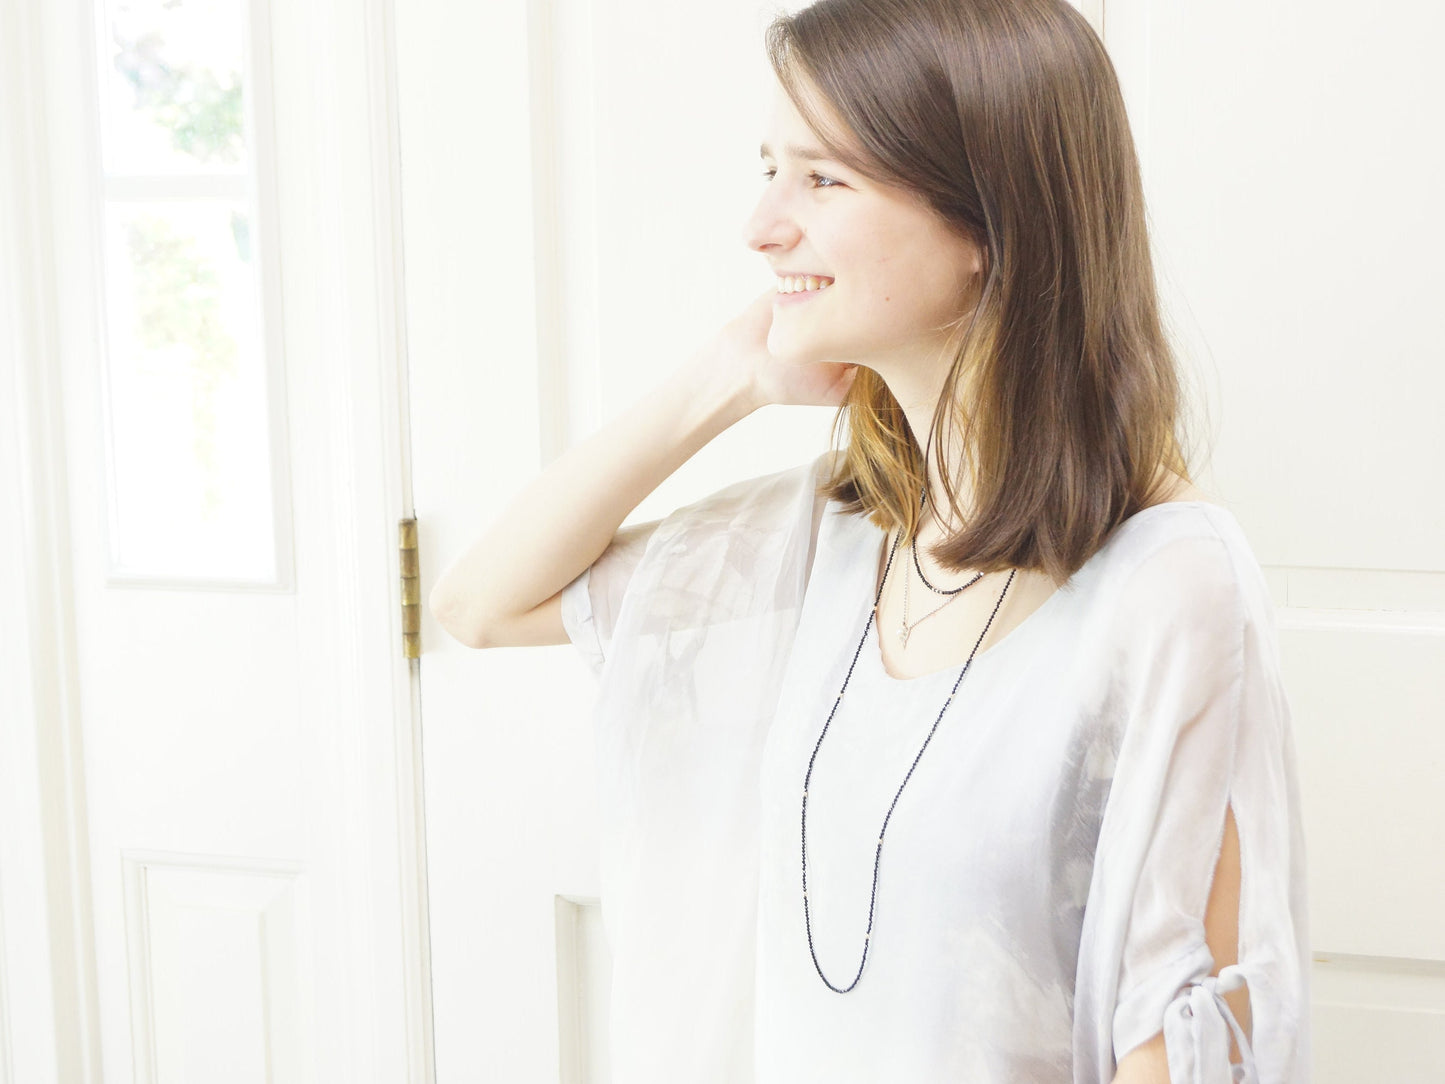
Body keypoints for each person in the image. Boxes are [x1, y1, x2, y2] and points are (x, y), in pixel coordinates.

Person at [428, 0, 1312, 1080]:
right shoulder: (835, 528)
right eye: (768, 167)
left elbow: (1174, 1039)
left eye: (821, 178)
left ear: (989, 223)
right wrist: (731, 374)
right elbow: (483, 604)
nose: (759, 224)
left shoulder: (1168, 582)